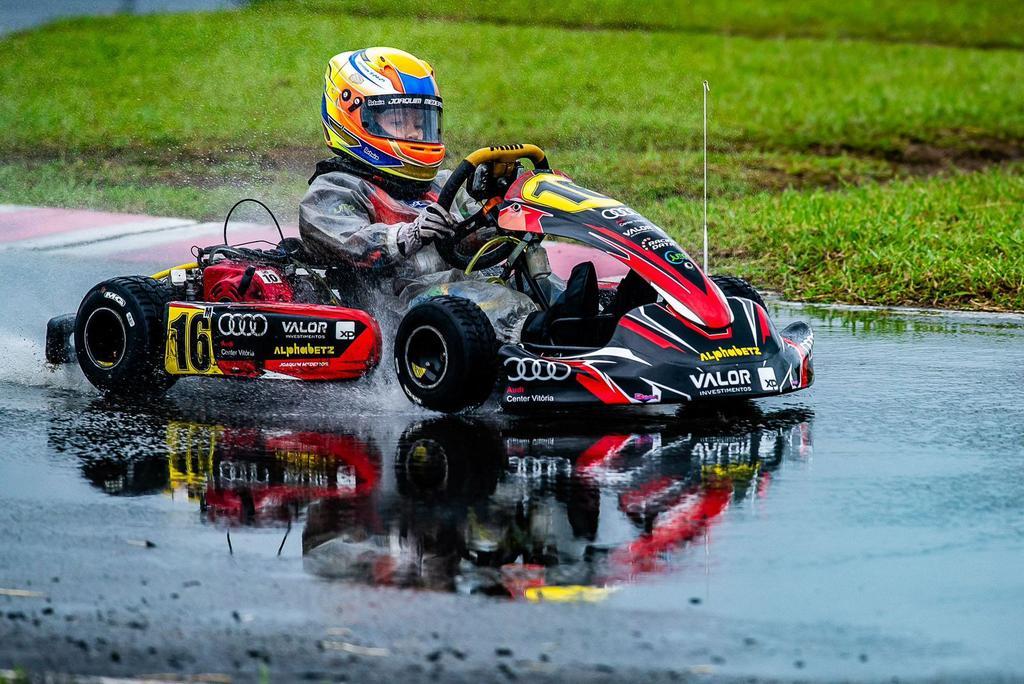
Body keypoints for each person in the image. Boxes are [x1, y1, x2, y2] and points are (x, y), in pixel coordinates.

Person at [299, 47, 536, 341]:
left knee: (539, 284)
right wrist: (409, 234)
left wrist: (500, 215)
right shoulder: (335, 189)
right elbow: (351, 242)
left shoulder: (442, 185)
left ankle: (584, 319)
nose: (413, 133)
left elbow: (469, 241)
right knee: (493, 300)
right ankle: (545, 338)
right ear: (354, 118)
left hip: (461, 298)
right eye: (399, 121)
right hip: (401, 307)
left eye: (420, 122)